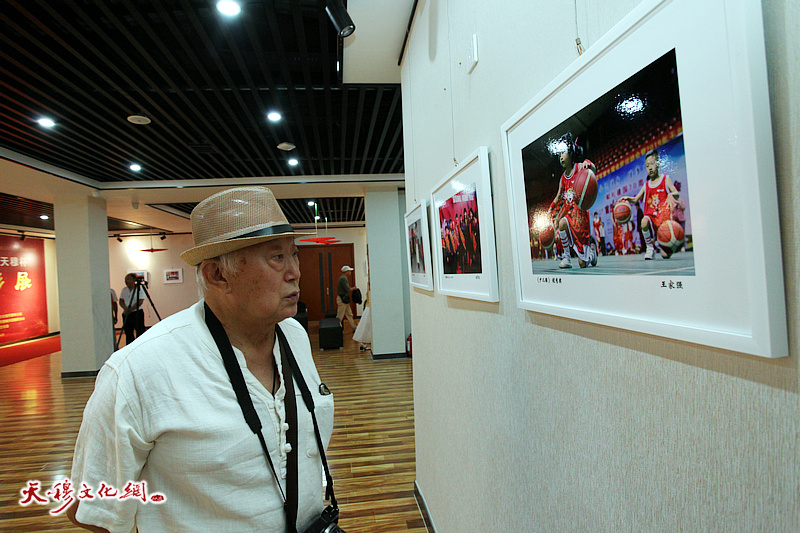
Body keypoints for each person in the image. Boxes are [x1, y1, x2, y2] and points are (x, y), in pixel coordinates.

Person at [68, 187, 336, 533]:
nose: (294, 272)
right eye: (276, 258)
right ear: (217, 275)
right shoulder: (138, 369)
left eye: (293, 255)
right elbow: (93, 507)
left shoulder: (294, 336)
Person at [617, 148, 680, 259]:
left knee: (666, 255)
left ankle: (662, 245)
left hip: (663, 220)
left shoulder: (666, 179)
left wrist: (671, 195)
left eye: (652, 163)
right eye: (647, 165)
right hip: (651, 217)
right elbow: (636, 199)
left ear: (658, 163)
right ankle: (650, 248)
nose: (649, 167)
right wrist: (627, 198)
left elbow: (676, 193)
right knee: (644, 221)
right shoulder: (646, 185)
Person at [548, 135, 598, 269]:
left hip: (581, 219)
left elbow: (593, 170)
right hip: (569, 217)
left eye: (563, 153)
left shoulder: (580, 167)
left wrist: (588, 163)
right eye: (559, 154)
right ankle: (567, 258)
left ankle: (591, 254)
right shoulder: (562, 178)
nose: (561, 157)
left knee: (583, 264)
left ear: (571, 153)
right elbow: (559, 196)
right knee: (562, 223)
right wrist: (551, 208)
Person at [119, 273, 145, 345]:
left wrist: (130, 309)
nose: (126, 281)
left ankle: (140, 345)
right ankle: (130, 346)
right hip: (127, 313)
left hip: (137, 312)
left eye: (128, 279)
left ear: (134, 280)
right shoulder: (124, 290)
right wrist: (125, 309)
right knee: (128, 332)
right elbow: (121, 301)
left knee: (140, 331)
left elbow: (140, 301)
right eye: (125, 279)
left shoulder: (140, 289)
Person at [336, 266, 357, 331]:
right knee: (340, 316)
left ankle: (354, 327)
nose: (350, 272)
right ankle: (337, 329)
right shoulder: (343, 279)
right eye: (349, 271)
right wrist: (354, 288)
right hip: (342, 299)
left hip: (344, 299)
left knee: (349, 314)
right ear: (346, 272)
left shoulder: (343, 278)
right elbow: (347, 289)